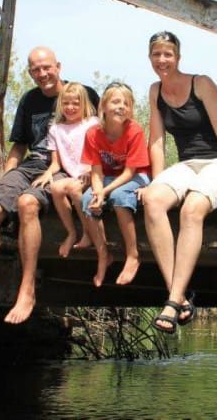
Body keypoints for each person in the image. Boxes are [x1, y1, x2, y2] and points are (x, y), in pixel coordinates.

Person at [0, 47, 99, 325]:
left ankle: (27, 289)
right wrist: (4, 180)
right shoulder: (29, 100)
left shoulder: (80, 93)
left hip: (66, 167)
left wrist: (93, 175)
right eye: (36, 69)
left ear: (58, 66)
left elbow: (101, 134)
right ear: (30, 72)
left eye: (47, 67)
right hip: (33, 164)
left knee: (27, 203)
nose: (42, 74)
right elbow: (19, 146)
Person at [141, 31, 217, 334]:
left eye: (168, 54)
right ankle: (177, 296)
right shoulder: (155, 91)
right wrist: (157, 182)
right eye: (156, 54)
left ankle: (172, 300)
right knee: (153, 199)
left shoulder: (201, 84)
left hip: (216, 163)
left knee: (191, 209)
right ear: (150, 58)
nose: (162, 60)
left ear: (178, 57)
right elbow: (156, 140)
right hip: (185, 165)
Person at [81, 82, 150, 287]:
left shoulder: (134, 131)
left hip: (137, 176)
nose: (121, 107)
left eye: (126, 103)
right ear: (103, 105)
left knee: (120, 197)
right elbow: (96, 171)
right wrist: (98, 193)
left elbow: (130, 172)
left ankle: (132, 254)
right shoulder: (93, 133)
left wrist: (105, 191)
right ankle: (103, 254)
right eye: (116, 102)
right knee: (87, 199)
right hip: (108, 178)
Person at [31, 82, 99, 258]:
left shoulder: (92, 123)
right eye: (66, 103)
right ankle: (71, 232)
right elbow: (56, 163)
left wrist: (91, 171)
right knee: (55, 187)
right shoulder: (55, 129)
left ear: (84, 104)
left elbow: (99, 152)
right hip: (73, 173)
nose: (70, 107)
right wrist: (47, 174)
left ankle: (87, 232)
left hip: (92, 172)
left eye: (76, 103)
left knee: (74, 189)